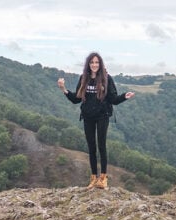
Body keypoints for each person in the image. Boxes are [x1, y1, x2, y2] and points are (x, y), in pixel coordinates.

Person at [57, 52, 135, 189]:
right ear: (88, 64)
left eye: (97, 62)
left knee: (101, 145)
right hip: (87, 116)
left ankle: (103, 178)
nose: (94, 65)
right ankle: (93, 178)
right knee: (91, 147)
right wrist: (63, 89)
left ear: (100, 64)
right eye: (92, 62)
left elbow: (113, 99)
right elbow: (76, 99)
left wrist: (124, 97)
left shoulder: (106, 78)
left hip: (102, 115)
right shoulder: (84, 79)